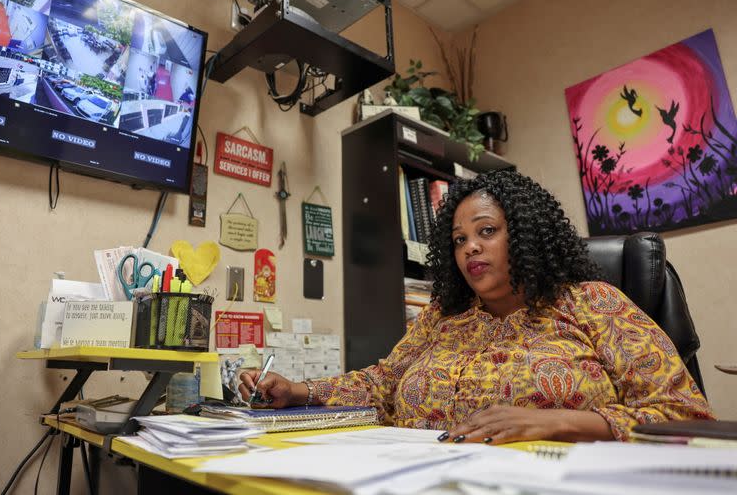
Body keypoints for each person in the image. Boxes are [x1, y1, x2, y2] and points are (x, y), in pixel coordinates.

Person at [239, 170, 713, 443]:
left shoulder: (593, 303)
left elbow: (685, 415)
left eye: (487, 231)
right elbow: (382, 383)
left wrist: (559, 421)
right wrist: (299, 391)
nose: (470, 248)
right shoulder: (443, 316)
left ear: (525, 234)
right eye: (459, 239)